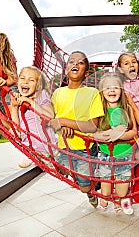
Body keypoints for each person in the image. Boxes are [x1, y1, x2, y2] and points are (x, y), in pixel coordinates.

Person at [48, 51, 104, 208]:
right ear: (66, 69)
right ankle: (88, 177)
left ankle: (92, 188)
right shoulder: (58, 93)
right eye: (72, 61)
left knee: (84, 187)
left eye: (80, 63)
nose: (75, 64)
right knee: (61, 170)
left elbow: (92, 126)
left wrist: (64, 122)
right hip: (63, 147)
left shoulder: (92, 93)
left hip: (84, 149)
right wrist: (61, 126)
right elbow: (51, 121)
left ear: (86, 72)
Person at [92, 73, 137, 215]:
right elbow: (94, 134)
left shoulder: (127, 109)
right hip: (105, 156)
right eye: (107, 88)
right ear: (102, 92)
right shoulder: (100, 111)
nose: (112, 90)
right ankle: (105, 199)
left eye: (115, 87)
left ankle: (120, 201)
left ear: (121, 91)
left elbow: (133, 132)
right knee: (105, 192)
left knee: (121, 191)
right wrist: (106, 136)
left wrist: (117, 136)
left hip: (124, 156)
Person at [10, 66, 57, 168]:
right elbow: (16, 125)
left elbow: (50, 115)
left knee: (64, 170)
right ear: (18, 82)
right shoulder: (19, 99)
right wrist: (14, 107)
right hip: (30, 146)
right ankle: (33, 154)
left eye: (31, 80)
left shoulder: (41, 95)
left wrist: (31, 102)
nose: (26, 82)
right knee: (22, 164)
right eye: (22, 78)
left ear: (38, 85)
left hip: (47, 146)